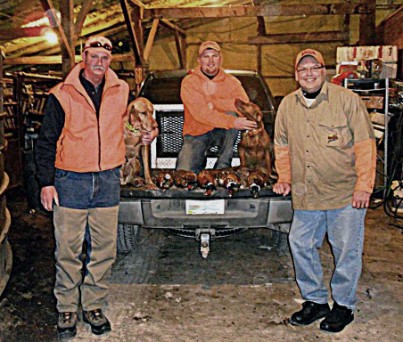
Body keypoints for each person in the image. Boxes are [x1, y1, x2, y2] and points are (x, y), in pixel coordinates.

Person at [35, 35, 156, 339]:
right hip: (71, 180)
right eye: (94, 56)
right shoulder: (61, 95)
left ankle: (93, 305)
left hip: (106, 180)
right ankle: (66, 307)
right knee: (69, 250)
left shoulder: (121, 90)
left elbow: (123, 127)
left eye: (105, 57)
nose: (99, 63)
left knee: (104, 249)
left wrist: (142, 137)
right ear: (83, 56)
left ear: (109, 60)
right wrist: (46, 183)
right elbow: (46, 142)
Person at [273, 49, 376, 333]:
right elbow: (281, 147)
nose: (309, 73)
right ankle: (316, 301)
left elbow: (365, 146)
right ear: (296, 75)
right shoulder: (287, 106)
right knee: (300, 243)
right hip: (307, 194)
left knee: (346, 250)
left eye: (314, 68)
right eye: (302, 69)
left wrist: (364, 186)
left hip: (345, 194)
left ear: (323, 71)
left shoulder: (347, 101)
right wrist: (285, 177)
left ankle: (343, 305)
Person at [176, 41, 257, 173]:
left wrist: (213, 103)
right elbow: (201, 114)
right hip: (197, 133)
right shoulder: (189, 82)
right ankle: (199, 163)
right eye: (205, 56)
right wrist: (230, 117)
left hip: (223, 132)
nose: (210, 61)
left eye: (214, 56)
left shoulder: (232, 82)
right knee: (185, 173)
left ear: (221, 59)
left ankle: (222, 166)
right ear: (199, 60)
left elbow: (244, 106)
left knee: (233, 115)